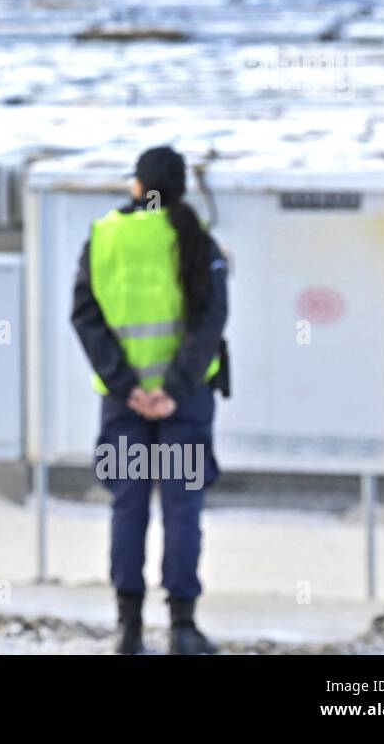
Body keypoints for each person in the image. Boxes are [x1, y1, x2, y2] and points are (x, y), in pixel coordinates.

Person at [70, 146, 229, 655]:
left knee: (128, 508)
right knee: (182, 510)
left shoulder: (103, 237)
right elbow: (210, 322)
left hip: (124, 407)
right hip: (183, 405)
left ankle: (128, 629)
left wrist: (127, 386)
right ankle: (182, 627)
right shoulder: (198, 242)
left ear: (137, 186)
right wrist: (173, 389)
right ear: (180, 188)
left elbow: (86, 318)